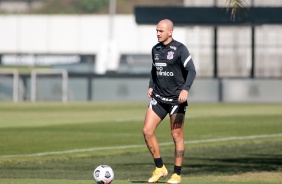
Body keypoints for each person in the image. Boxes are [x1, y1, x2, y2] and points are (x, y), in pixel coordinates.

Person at [142, 19, 196, 184]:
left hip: (176, 102)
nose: (158, 33)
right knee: (147, 131)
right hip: (158, 98)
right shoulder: (155, 49)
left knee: (176, 135)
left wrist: (185, 89)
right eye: (157, 31)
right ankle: (160, 168)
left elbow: (192, 70)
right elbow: (154, 69)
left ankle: (176, 174)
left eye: (161, 31)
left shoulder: (180, 49)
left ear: (170, 32)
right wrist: (151, 85)